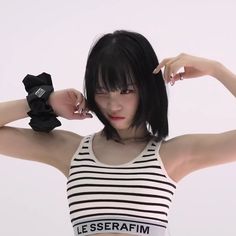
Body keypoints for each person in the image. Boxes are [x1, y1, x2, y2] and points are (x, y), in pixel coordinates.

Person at [0, 30, 235, 236]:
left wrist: (216, 69)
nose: (113, 105)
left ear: (147, 89)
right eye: (102, 92)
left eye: (126, 90)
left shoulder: (171, 155)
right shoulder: (71, 151)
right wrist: (43, 100)